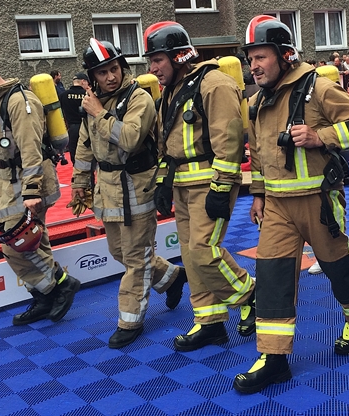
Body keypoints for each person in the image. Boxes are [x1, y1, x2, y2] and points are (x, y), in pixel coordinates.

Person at [236, 15, 349, 394]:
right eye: (250, 58)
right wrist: (258, 195)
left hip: (319, 200)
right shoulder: (255, 102)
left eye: (261, 56)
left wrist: (322, 136)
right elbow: (259, 155)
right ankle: (274, 358)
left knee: (337, 270)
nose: (253, 65)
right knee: (272, 279)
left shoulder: (317, 87)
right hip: (278, 208)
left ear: (284, 55)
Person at [144, 21, 256, 352]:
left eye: (158, 60)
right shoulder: (172, 92)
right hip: (182, 185)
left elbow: (230, 140)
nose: (152, 68)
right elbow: (167, 144)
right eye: (150, 61)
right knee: (191, 259)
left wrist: (221, 188)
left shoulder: (215, 84)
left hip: (210, 183)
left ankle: (251, 294)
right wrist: (163, 183)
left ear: (179, 57)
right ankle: (210, 322)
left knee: (205, 253)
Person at [70, 39, 188, 348]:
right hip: (106, 188)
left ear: (123, 68)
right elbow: (84, 146)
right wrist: (80, 183)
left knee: (136, 258)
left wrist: (99, 114)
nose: (110, 77)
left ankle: (130, 320)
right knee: (119, 252)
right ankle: (173, 277)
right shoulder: (92, 103)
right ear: (92, 77)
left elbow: (132, 139)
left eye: (114, 69)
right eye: (102, 72)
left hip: (136, 185)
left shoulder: (139, 99)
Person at [0, 51, 80, 326]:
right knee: (36, 241)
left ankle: (60, 284)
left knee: (16, 244)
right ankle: (43, 298)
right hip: (9, 185)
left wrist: (32, 192)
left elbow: (31, 150)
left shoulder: (19, 102)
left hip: (28, 185)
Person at [59, 73, 88, 164]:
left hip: (72, 129)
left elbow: (60, 113)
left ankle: (76, 172)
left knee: (74, 153)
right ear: (83, 81)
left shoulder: (63, 95)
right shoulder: (87, 95)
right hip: (86, 128)